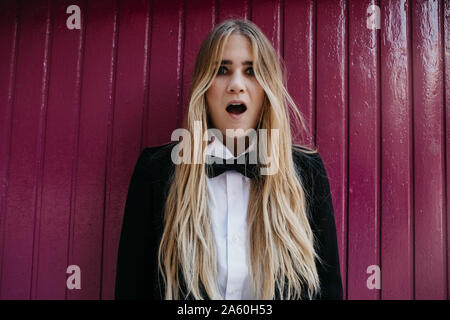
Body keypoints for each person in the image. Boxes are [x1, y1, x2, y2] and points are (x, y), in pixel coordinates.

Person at [115, 19, 343, 300]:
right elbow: (132, 288)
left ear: (267, 87)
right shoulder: (156, 170)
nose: (237, 85)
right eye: (222, 70)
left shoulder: (306, 171)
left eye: (251, 71)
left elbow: (328, 291)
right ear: (203, 85)